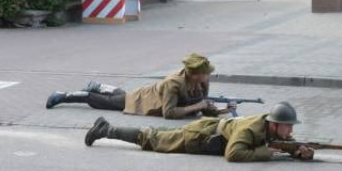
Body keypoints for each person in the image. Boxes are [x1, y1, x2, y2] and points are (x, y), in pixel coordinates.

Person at [84, 101, 315, 162]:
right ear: (274, 124)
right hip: (200, 138)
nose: (290, 129)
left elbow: (286, 143)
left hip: (206, 133)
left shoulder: (273, 129)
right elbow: (233, 155)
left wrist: (300, 152)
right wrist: (266, 153)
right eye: (288, 126)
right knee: (151, 138)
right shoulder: (250, 129)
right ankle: (106, 129)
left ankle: (106, 128)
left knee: (155, 132)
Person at [44, 53, 235, 117]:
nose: (209, 74)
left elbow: (202, 104)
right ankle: (63, 95)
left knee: (119, 96)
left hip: (146, 95)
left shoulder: (203, 81)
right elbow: (169, 113)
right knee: (104, 102)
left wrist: (222, 110)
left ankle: (99, 85)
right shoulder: (173, 84)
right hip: (144, 101)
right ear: (195, 74)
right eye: (205, 72)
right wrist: (198, 106)